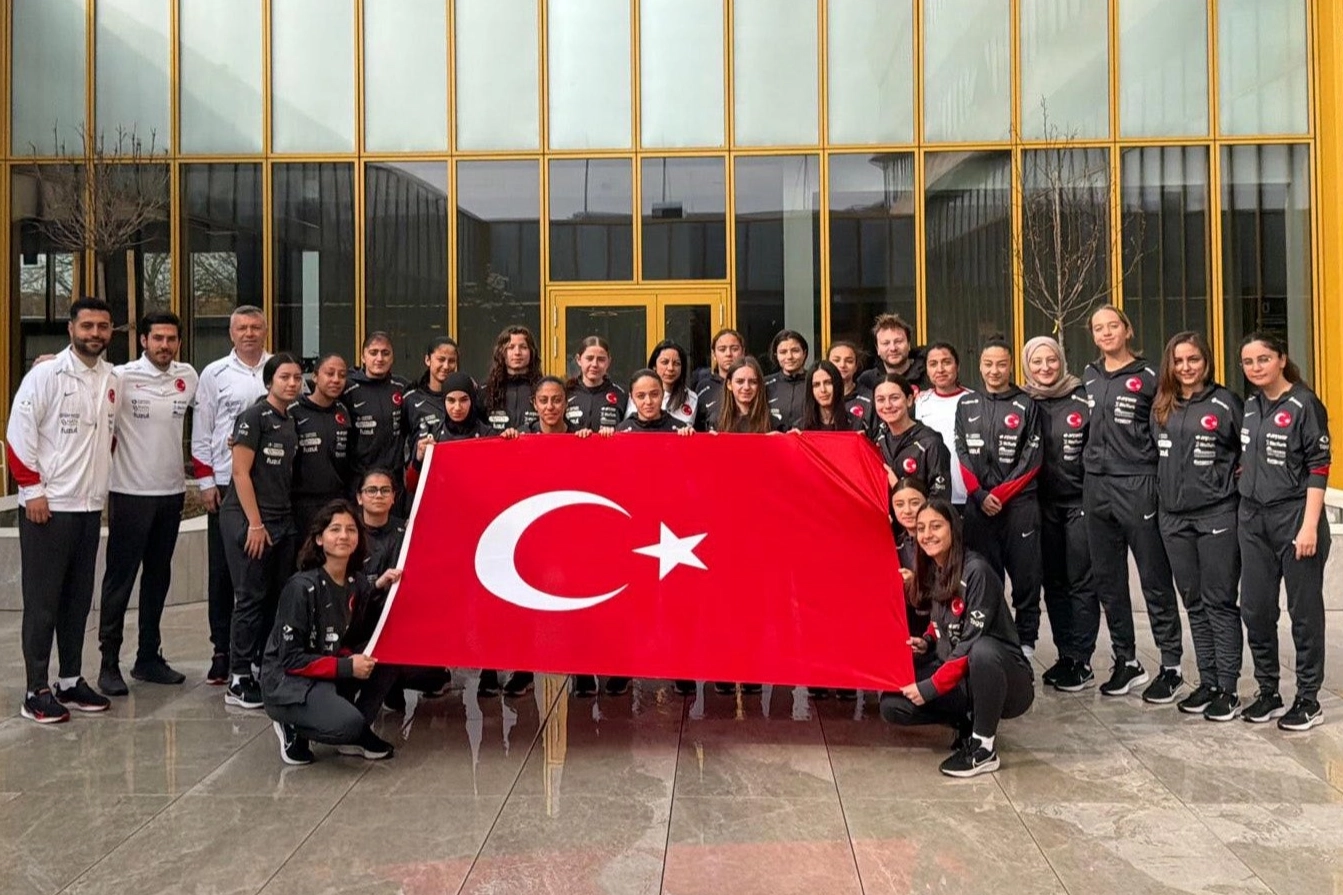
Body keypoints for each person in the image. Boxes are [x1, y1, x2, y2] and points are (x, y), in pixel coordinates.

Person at [7, 297, 118, 722]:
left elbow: (108, 438)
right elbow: (19, 434)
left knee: (77, 600)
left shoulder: (112, 378)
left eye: (102, 327)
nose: (95, 334)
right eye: (87, 326)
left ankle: (69, 680)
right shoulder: (45, 375)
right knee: (43, 602)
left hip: (88, 508)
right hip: (48, 508)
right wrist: (32, 490)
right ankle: (35, 688)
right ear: (71, 329)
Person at [879, 500, 1035, 778]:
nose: (927, 534)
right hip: (962, 676)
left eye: (936, 526)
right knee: (892, 705)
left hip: (1006, 682)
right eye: (921, 528)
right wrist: (927, 641)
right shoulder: (934, 567)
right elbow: (940, 620)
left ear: (953, 528)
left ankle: (983, 748)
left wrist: (931, 687)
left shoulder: (977, 571)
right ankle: (968, 721)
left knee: (982, 650)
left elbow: (970, 642)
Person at [1083, 305, 1184, 703]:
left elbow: (1168, 430)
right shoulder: (1089, 376)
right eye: (1098, 328)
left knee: (1153, 577)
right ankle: (1126, 660)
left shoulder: (1149, 376)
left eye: (1113, 326)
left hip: (1138, 482)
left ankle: (1171, 664)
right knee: (1107, 580)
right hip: (1096, 485)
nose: (1106, 333)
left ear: (1127, 330)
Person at [98, 311, 198, 697]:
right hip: (129, 494)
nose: (164, 346)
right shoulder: (121, 377)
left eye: (171, 339)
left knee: (158, 578)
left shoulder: (188, 376)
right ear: (143, 340)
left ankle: (148, 657)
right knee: (120, 580)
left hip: (171, 494)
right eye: (157, 338)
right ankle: (109, 662)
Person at [1237, 333, 1331, 731]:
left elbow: (1319, 466)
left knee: (1303, 614)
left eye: (1263, 359)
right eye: (1248, 362)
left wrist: (1309, 526)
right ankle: (1268, 691)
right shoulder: (1250, 406)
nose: (1255, 367)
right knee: (1255, 609)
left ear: (1281, 359)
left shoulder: (1304, 404)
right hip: (1253, 520)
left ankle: (1308, 698)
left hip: (1295, 518)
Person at [262, 500, 402, 765]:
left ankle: (357, 734)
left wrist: (382, 586)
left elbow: (356, 629)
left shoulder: (356, 582)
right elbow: (290, 659)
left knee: (388, 654)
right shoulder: (300, 588)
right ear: (319, 539)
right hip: (291, 681)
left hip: (327, 669)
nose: (343, 536)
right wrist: (348, 667)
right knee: (346, 724)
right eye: (335, 529)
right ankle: (291, 723)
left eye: (351, 530)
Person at [1151, 331, 1244, 721]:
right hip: (1173, 517)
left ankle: (1229, 688)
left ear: (1206, 361)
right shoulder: (1162, 404)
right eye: (1179, 361)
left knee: (1219, 601)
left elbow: (1247, 451)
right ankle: (1208, 681)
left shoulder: (1226, 403)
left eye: (1194, 359)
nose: (1186, 367)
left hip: (1216, 514)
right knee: (1193, 602)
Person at [219, 352, 304, 710]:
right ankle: (238, 677)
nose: (292, 383)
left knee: (275, 598)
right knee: (250, 597)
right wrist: (254, 524)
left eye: (297, 377)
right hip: (251, 520)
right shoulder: (253, 417)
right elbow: (240, 473)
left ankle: (259, 664)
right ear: (269, 381)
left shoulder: (291, 420)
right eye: (284, 377)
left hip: (282, 520)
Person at [192, 305, 271, 685]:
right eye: (242, 328)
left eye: (256, 327)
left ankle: (259, 650)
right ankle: (221, 650)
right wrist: (206, 481)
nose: (249, 333)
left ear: (265, 330)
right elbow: (202, 428)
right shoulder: (214, 373)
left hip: (268, 484)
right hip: (226, 483)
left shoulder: (279, 369)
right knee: (223, 572)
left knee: (262, 574)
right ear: (231, 333)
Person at [954, 339, 1044, 654]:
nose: (995, 371)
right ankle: (991, 636)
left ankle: (1027, 642)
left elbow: (1033, 458)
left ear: (1011, 366)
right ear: (980, 366)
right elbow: (961, 452)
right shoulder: (966, 404)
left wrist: (1001, 495)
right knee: (984, 577)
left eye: (1001, 364)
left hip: (1019, 506)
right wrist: (979, 495)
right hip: (978, 507)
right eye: (989, 364)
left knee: (1026, 577)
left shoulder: (1027, 404)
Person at [1020, 336, 1095, 692]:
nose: (1045, 367)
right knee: (1053, 582)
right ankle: (1065, 654)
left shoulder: (1082, 396)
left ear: (1062, 360)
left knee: (1080, 581)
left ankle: (1082, 659)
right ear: (1027, 366)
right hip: (1040, 504)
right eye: (1036, 362)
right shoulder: (1023, 401)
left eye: (1051, 360)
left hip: (1078, 502)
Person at [291, 353, 353, 539]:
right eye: (330, 373)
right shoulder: (294, 410)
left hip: (336, 501)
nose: (336, 380)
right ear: (315, 377)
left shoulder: (343, 411)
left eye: (342, 375)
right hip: (301, 504)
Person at [342, 332, 410, 495]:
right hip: (359, 479)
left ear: (392, 357)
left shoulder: (402, 387)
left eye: (385, 353)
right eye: (373, 353)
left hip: (394, 480)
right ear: (363, 357)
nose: (379, 358)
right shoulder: (347, 389)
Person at [870, 374, 951, 498]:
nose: (887, 405)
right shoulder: (877, 438)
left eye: (894, 398)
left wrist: (898, 488)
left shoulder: (930, 442)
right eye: (880, 400)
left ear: (909, 400)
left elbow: (940, 499)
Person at [914, 343, 972, 509]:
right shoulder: (920, 402)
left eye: (946, 362)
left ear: (957, 366)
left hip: (969, 494)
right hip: (933, 493)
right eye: (933, 364)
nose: (940, 369)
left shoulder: (974, 400)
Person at [401, 337, 457, 455]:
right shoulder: (411, 399)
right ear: (428, 360)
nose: (446, 366)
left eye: (451, 361)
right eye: (441, 359)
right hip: (423, 465)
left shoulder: (464, 397)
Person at [483, 325, 541, 432]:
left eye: (523, 347)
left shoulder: (542, 389)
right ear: (501, 352)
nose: (517, 352)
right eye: (511, 347)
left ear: (531, 352)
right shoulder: (486, 391)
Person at [566, 336, 627, 431]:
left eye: (601, 359)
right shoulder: (566, 393)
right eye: (589, 358)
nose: (594, 364)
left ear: (609, 361)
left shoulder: (621, 394)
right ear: (578, 360)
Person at [857, 313, 928, 392]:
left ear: (909, 345)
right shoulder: (866, 381)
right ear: (877, 349)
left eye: (898, 341)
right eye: (886, 343)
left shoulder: (928, 376)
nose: (893, 348)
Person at [693, 328, 745, 431]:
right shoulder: (704, 387)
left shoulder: (753, 384)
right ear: (714, 355)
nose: (728, 354)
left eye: (734, 349)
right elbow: (697, 427)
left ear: (743, 352)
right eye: (722, 349)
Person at [714, 357, 776, 435]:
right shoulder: (717, 420)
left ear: (759, 385)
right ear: (729, 384)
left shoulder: (772, 420)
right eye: (740, 381)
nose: (746, 387)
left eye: (753, 382)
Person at [642, 339, 697, 425]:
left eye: (676, 363)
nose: (670, 368)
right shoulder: (640, 394)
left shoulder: (691, 398)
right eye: (665, 362)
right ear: (654, 366)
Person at [799, 360, 861, 432]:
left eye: (828, 383)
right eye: (816, 385)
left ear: (837, 385)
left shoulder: (855, 424)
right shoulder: (801, 427)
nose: (823, 390)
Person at [765, 330, 809, 430]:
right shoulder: (764, 385)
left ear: (804, 353)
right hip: (772, 439)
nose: (789, 357)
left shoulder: (816, 383)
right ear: (776, 355)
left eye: (795, 351)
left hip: (806, 439)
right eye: (783, 352)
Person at [828, 340, 873, 429]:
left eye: (849, 361)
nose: (842, 365)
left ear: (856, 366)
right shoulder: (818, 397)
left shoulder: (870, 399)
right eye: (836, 360)